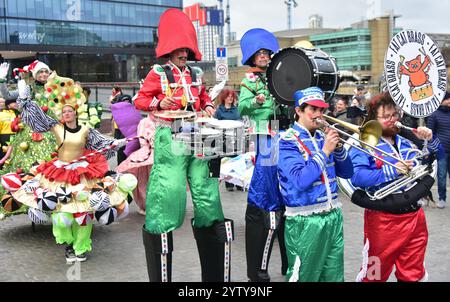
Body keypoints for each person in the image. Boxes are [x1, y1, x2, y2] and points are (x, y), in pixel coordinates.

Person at [134, 8, 233, 282]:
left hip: (198, 134)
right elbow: (140, 101)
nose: (184, 54)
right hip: (171, 135)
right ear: (170, 49)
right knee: (169, 192)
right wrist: (158, 103)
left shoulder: (195, 73)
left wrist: (210, 106)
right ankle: (161, 268)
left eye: (187, 50)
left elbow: (202, 99)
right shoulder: (158, 73)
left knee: (207, 194)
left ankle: (214, 278)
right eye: (180, 50)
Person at [8, 77, 133, 263]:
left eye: (69, 111)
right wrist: (25, 100)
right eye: (64, 112)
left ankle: (81, 248)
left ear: (75, 113)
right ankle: (68, 242)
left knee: (84, 212)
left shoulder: (86, 130)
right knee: (62, 212)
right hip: (59, 174)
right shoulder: (55, 127)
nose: (66, 114)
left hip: (83, 174)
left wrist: (117, 142)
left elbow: (102, 144)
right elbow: (38, 118)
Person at [349, 91, 440, 282]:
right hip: (383, 221)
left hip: (415, 218)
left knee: (413, 273)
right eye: (386, 117)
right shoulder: (364, 144)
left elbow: (437, 155)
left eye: (394, 115)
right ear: (373, 120)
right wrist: (391, 171)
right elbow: (356, 177)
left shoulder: (407, 140)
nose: (392, 120)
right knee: (374, 275)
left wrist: (430, 140)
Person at [277, 87, 353, 282]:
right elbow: (300, 180)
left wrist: (338, 148)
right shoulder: (286, 141)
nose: (319, 115)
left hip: (333, 216)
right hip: (305, 221)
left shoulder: (322, 137)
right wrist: (325, 151)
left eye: (321, 110)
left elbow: (347, 173)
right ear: (299, 111)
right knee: (305, 277)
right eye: (313, 109)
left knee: (334, 276)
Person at [238, 28, 287, 282]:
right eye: (260, 54)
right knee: (267, 186)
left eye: (267, 53)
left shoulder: (275, 77)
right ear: (252, 57)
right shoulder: (249, 80)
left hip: (280, 131)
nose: (265, 57)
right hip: (262, 134)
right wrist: (256, 102)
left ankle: (286, 260)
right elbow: (241, 107)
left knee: (281, 185)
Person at [213, 89, 242, 191]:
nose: (230, 98)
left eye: (232, 96)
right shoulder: (219, 111)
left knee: (237, 161)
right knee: (227, 161)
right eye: (228, 96)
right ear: (223, 97)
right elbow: (214, 124)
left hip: (236, 138)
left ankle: (239, 183)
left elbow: (240, 121)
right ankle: (229, 183)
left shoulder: (236, 109)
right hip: (224, 139)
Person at [427, 91, 450, 209]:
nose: (449, 101)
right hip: (442, 151)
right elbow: (430, 134)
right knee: (441, 176)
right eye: (448, 99)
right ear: (441, 100)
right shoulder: (434, 115)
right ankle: (442, 198)